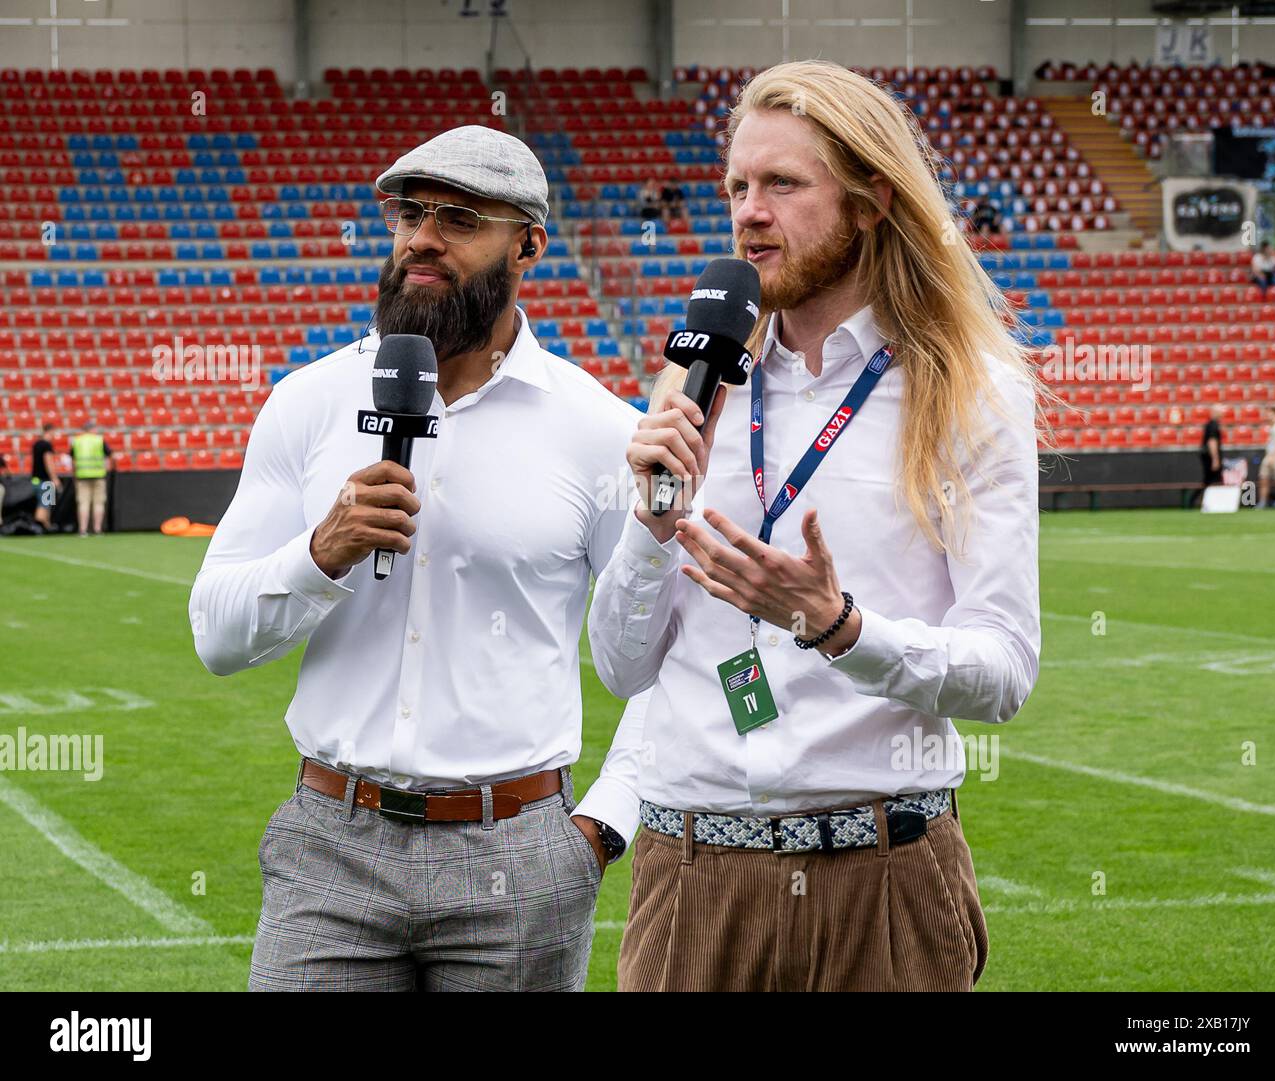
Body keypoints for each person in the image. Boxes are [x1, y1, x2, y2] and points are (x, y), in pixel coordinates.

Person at [580, 60, 1041, 992]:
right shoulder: (695, 385)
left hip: (886, 875)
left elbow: (1003, 670)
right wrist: (649, 526)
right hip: (694, 871)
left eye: (783, 184)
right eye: (737, 188)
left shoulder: (968, 391)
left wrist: (841, 630)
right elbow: (621, 667)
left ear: (871, 200)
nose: (749, 212)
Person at [189, 125, 637, 992]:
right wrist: (321, 553)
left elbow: (665, 657)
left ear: (528, 245)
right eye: (410, 213)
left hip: (520, 853)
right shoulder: (309, 401)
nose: (422, 238)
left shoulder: (598, 430)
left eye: (460, 218)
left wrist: (600, 828)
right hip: (332, 841)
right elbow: (216, 634)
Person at [70, 421, 113, 536]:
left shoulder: (77, 441)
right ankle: (97, 529)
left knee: (83, 503)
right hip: (98, 475)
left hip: (82, 475)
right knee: (98, 503)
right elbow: (110, 456)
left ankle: (83, 529)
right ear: (93, 429)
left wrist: (74, 474)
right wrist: (107, 469)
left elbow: (73, 460)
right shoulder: (99, 440)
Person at [28, 423, 61, 533]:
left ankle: (47, 526)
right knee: (44, 504)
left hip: (36, 479)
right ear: (50, 431)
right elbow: (49, 462)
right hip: (45, 479)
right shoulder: (46, 445)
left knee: (45, 502)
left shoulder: (36, 444)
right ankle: (39, 527)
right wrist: (54, 478)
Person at [1199, 403, 1225, 505]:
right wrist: (1215, 459)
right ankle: (1208, 502)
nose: (1222, 414)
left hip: (1207, 456)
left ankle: (1204, 502)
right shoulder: (1213, 425)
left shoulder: (1211, 424)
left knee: (1208, 480)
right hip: (1210, 457)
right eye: (1221, 411)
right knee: (1213, 481)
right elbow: (1212, 442)